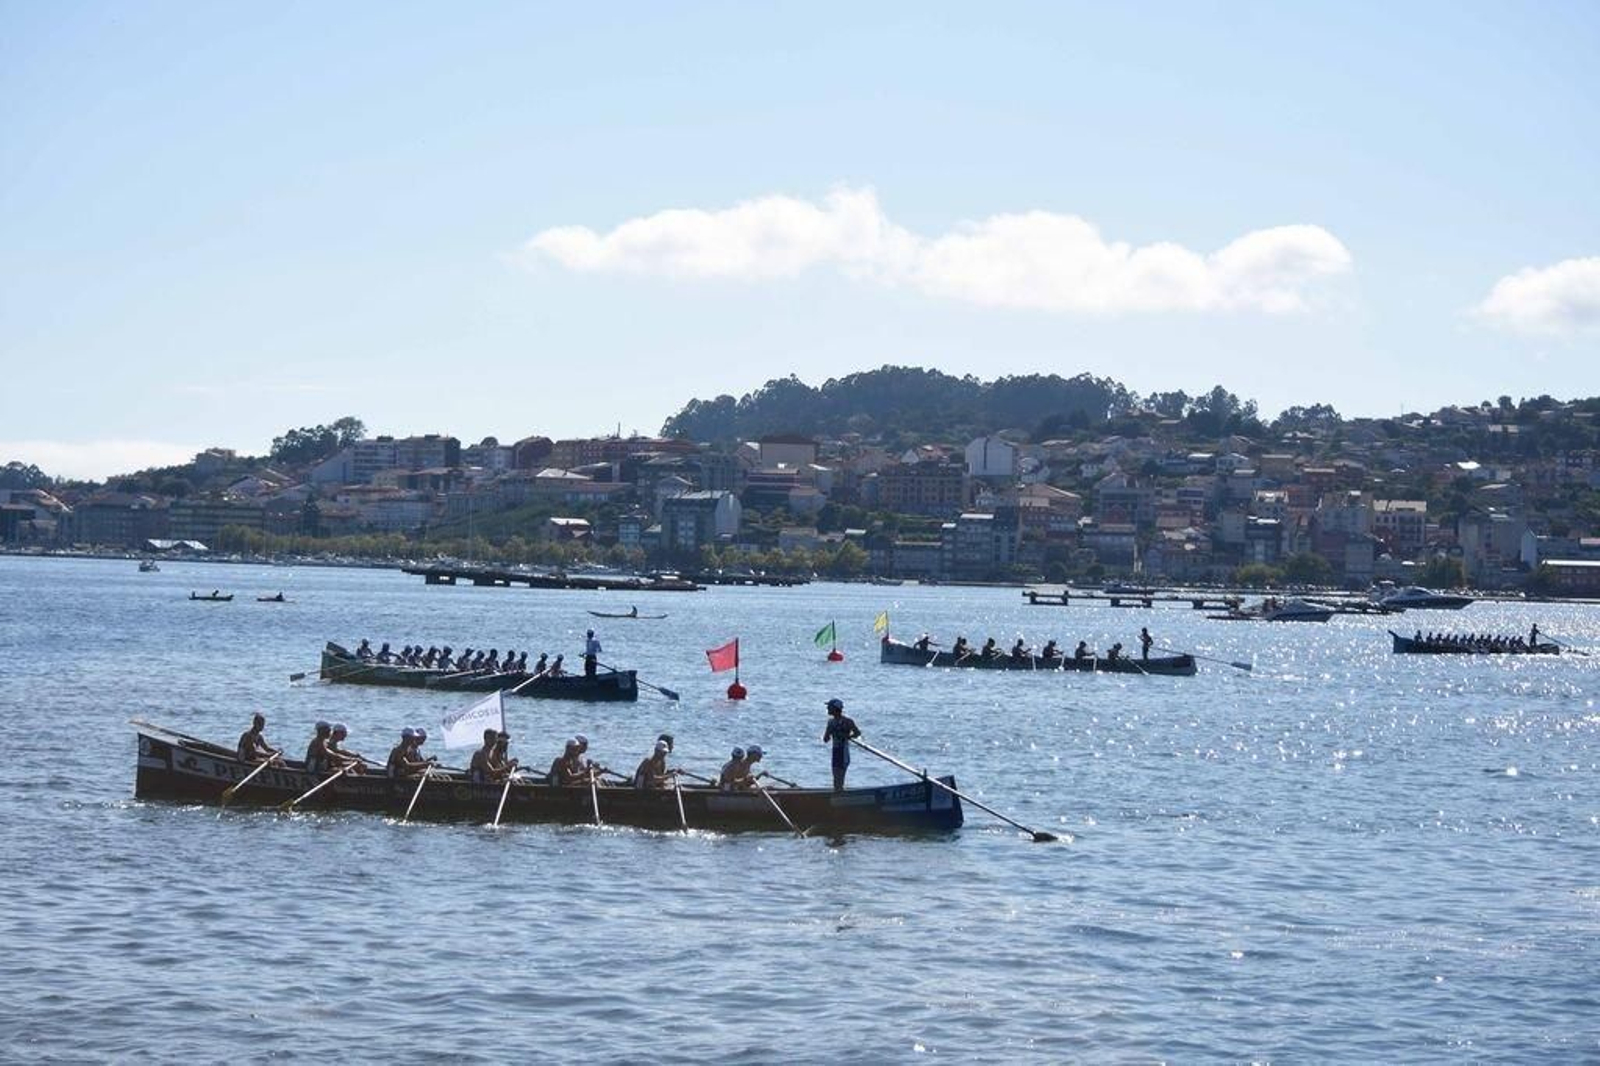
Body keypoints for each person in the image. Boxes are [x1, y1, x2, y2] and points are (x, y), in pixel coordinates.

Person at [822, 698, 861, 791]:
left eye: (829, 707)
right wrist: (830, 733)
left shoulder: (847, 721)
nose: (827, 709)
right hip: (835, 752)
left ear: (835, 709)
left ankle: (840, 795)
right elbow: (826, 739)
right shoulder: (831, 722)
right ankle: (838, 793)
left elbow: (857, 733)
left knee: (839, 778)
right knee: (836, 779)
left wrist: (848, 737)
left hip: (843, 752)